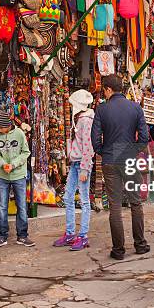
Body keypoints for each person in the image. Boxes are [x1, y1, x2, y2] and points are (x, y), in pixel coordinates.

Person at [91, 74, 150, 260]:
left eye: (104, 91)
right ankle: (140, 244)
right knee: (135, 202)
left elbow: (95, 139)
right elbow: (143, 137)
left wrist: (104, 151)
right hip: (129, 158)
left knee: (115, 206)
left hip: (110, 160)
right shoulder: (135, 108)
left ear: (108, 89)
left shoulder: (102, 110)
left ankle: (118, 250)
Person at [53, 89, 95, 251]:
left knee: (84, 200)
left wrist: (85, 168)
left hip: (82, 164)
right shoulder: (79, 118)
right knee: (68, 197)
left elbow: (88, 145)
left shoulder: (85, 120)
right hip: (76, 162)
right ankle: (70, 233)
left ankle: (83, 235)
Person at [0, 110, 34, 247]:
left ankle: (22, 236)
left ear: (7, 125)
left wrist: (14, 164)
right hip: (2, 175)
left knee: (21, 206)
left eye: (0, 127)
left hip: (19, 175)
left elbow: (26, 152)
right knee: (1, 206)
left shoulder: (20, 134)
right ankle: (1, 235)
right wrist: (3, 164)